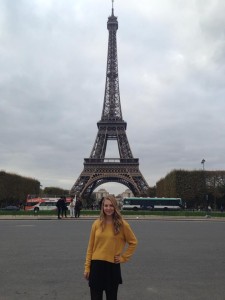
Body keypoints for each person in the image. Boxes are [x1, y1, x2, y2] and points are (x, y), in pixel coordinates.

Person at [84, 195, 138, 300]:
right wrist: (87, 267)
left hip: (112, 267)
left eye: (111, 206)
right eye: (106, 206)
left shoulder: (123, 225)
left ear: (115, 207)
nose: (108, 208)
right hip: (96, 267)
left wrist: (123, 258)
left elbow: (133, 242)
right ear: (102, 207)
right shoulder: (96, 223)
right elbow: (90, 247)